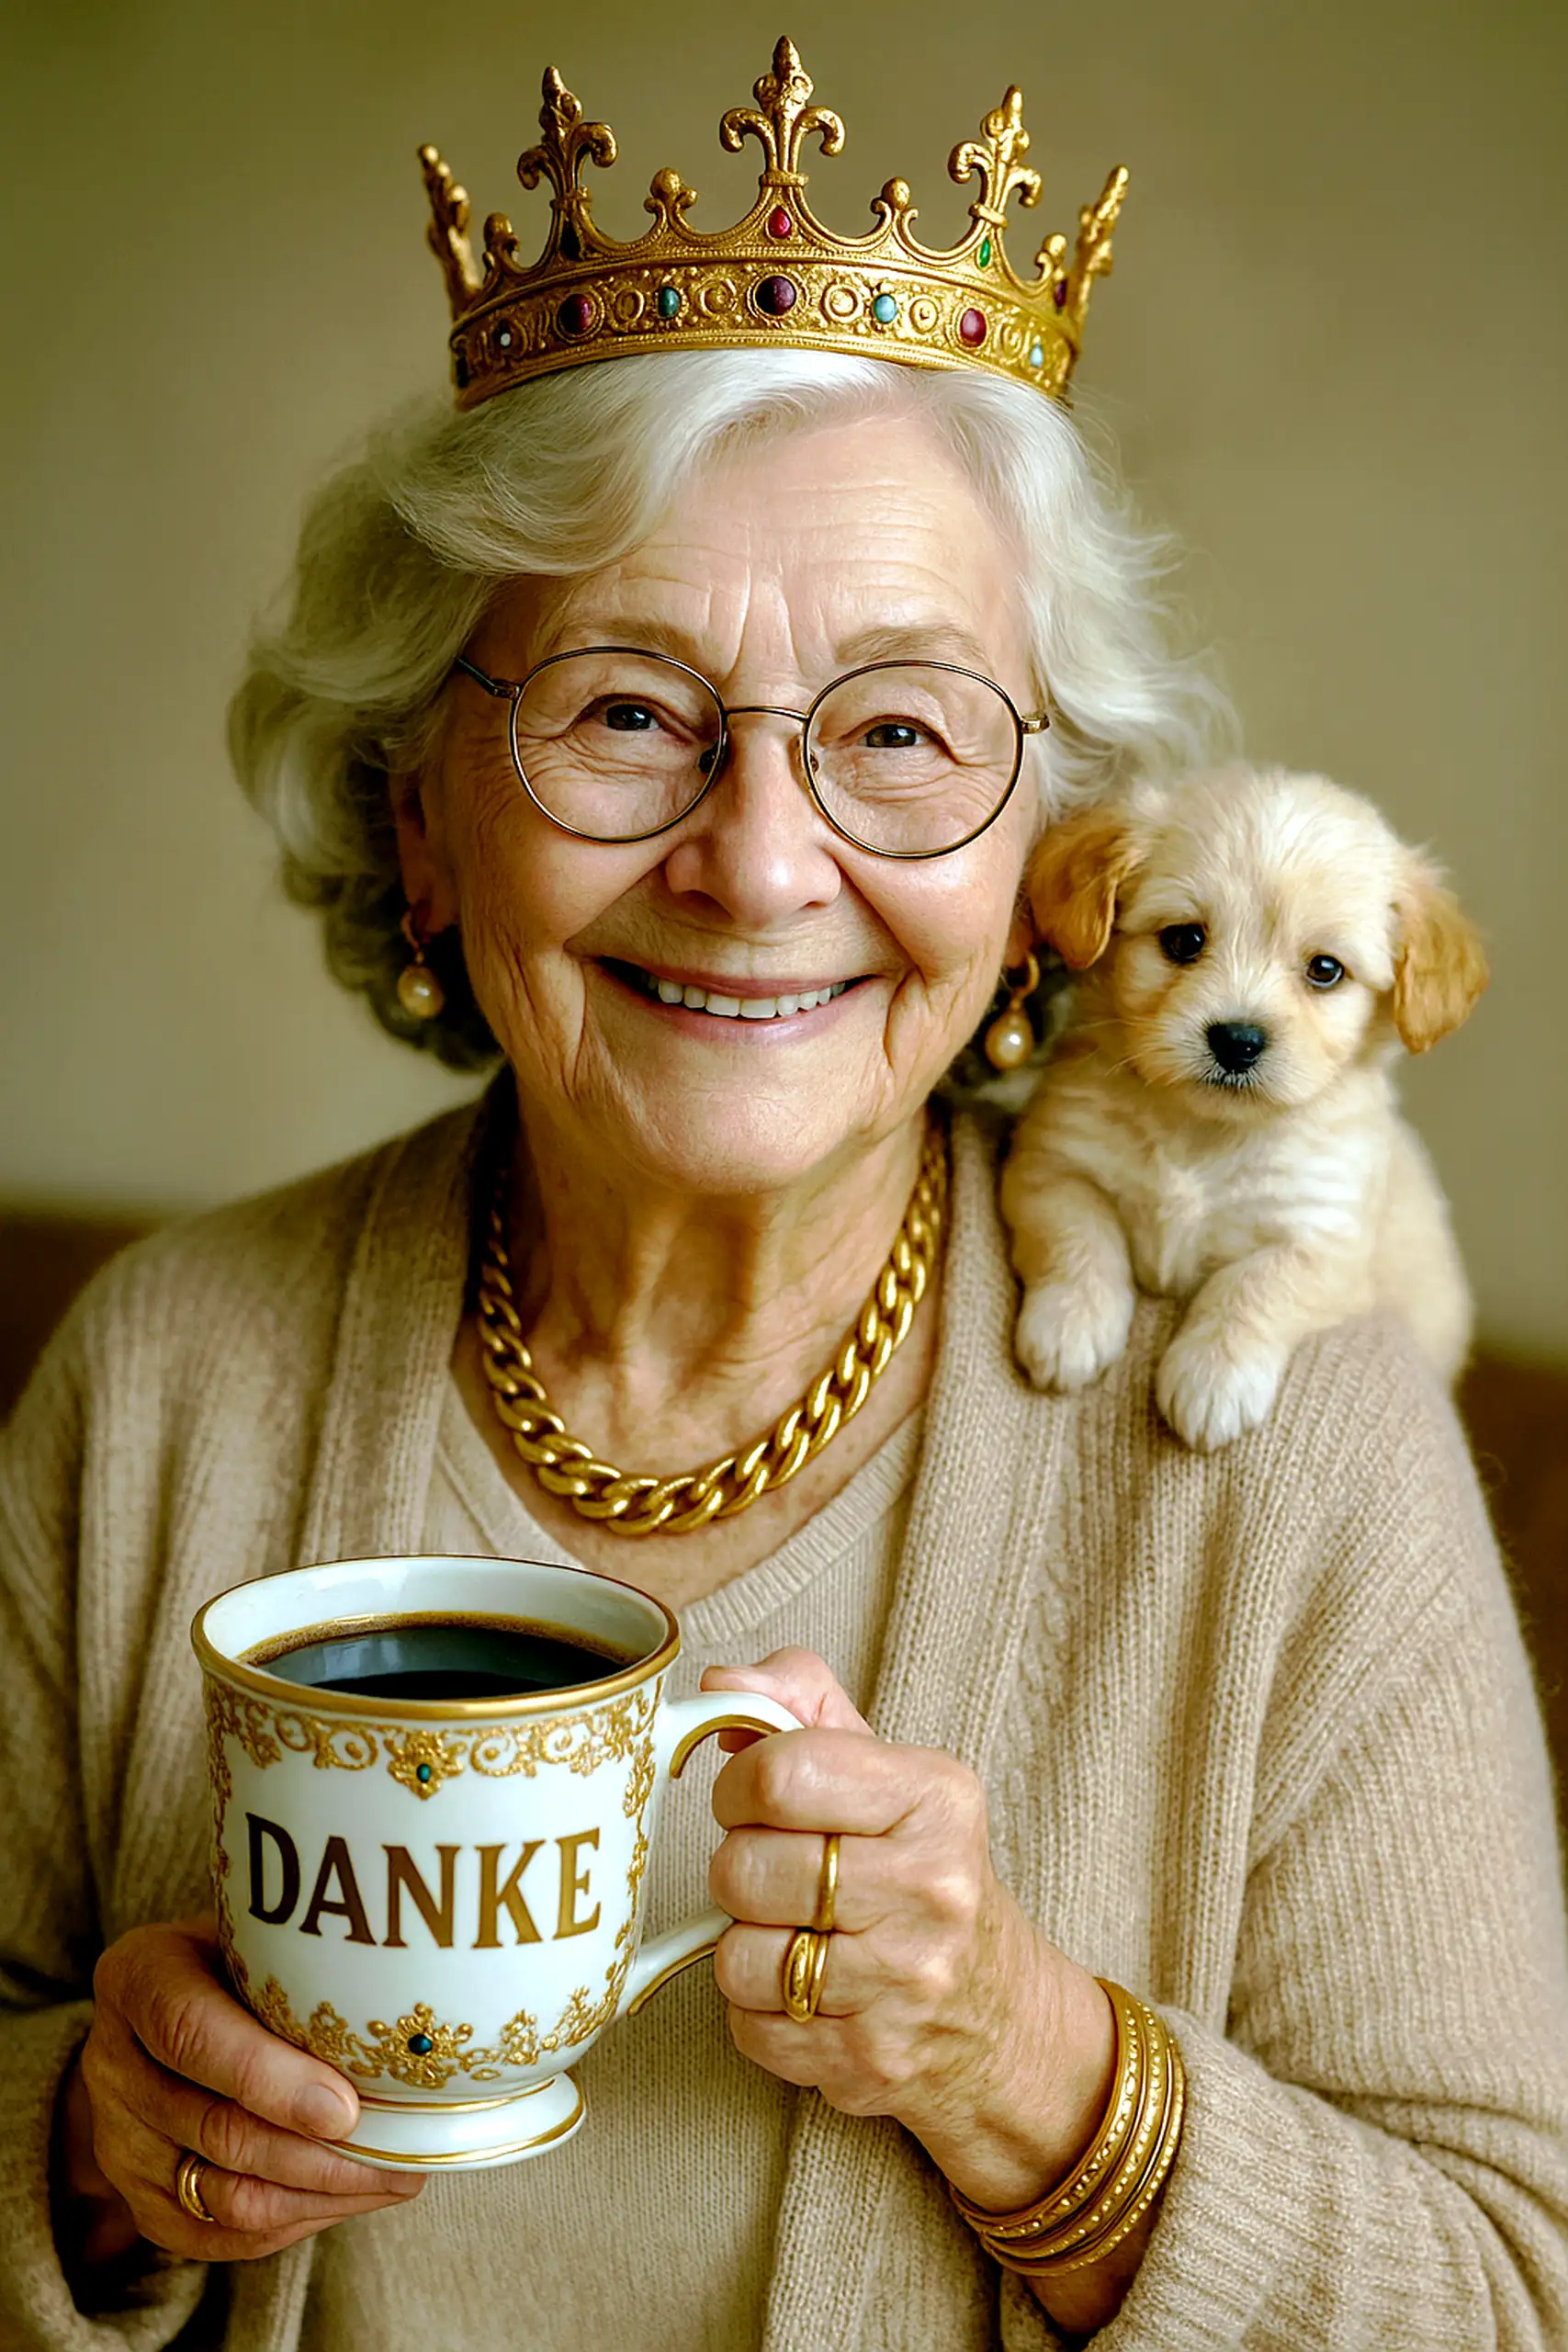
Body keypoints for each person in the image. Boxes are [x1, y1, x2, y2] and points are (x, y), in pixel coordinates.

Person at [5, 40, 1566, 2352]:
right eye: (626, 708)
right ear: (425, 819)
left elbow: (1510, 2295)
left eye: (902, 728)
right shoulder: (165, 1376)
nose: (754, 862)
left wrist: (1040, 2076)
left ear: (1053, 874)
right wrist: (86, 2156)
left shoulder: (1295, 1439)